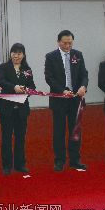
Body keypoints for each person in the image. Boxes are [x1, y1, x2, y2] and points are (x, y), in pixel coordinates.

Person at [44, 30, 89, 172]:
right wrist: (62, 90)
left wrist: (83, 86)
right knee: (59, 131)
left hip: (75, 99)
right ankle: (59, 160)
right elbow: (49, 77)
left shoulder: (78, 55)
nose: (68, 45)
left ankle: (75, 160)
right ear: (58, 42)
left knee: (75, 130)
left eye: (70, 43)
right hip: (59, 99)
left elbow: (84, 74)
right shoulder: (51, 56)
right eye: (65, 43)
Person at [0, 43, 35, 175]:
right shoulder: (4, 67)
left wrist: (27, 90)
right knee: (6, 137)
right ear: (10, 54)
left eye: (19, 53)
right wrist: (14, 87)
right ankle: (7, 165)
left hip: (22, 108)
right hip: (6, 108)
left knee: (20, 137)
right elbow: (1, 81)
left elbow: (32, 86)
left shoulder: (27, 69)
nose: (16, 56)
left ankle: (20, 164)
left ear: (23, 55)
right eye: (14, 53)